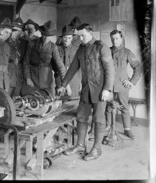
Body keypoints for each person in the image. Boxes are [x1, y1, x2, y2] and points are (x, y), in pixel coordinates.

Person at [57, 23, 114, 161]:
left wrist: (107, 89)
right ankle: (80, 145)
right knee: (81, 117)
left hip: (100, 90)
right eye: (79, 36)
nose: (81, 38)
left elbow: (110, 69)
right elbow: (73, 68)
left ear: (90, 32)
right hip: (86, 89)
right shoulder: (81, 49)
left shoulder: (101, 47)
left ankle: (96, 149)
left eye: (83, 35)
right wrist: (63, 84)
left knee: (99, 119)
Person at [105, 30, 142, 139]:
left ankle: (127, 129)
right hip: (109, 85)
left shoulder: (127, 52)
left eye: (117, 38)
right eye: (112, 39)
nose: (114, 41)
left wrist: (131, 81)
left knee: (124, 107)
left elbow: (138, 67)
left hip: (122, 85)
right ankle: (108, 126)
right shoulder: (107, 51)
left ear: (121, 38)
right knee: (108, 107)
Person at [23, 20, 67, 97]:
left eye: (49, 36)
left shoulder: (53, 47)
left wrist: (65, 84)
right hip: (33, 76)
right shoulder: (32, 43)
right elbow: (26, 62)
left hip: (47, 78)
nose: (46, 38)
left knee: (49, 100)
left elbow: (60, 66)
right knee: (33, 100)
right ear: (41, 33)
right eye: (44, 35)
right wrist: (28, 78)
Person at [55, 25, 81, 96]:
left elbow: (79, 68)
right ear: (62, 37)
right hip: (60, 80)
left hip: (73, 80)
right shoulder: (56, 49)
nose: (67, 40)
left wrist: (80, 82)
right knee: (60, 103)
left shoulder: (76, 49)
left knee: (73, 102)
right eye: (65, 37)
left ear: (72, 38)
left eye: (69, 38)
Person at [7, 17, 28, 97]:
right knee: (7, 96)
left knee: (17, 98)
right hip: (9, 72)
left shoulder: (24, 43)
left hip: (19, 73)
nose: (16, 32)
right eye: (14, 30)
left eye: (19, 30)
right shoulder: (6, 41)